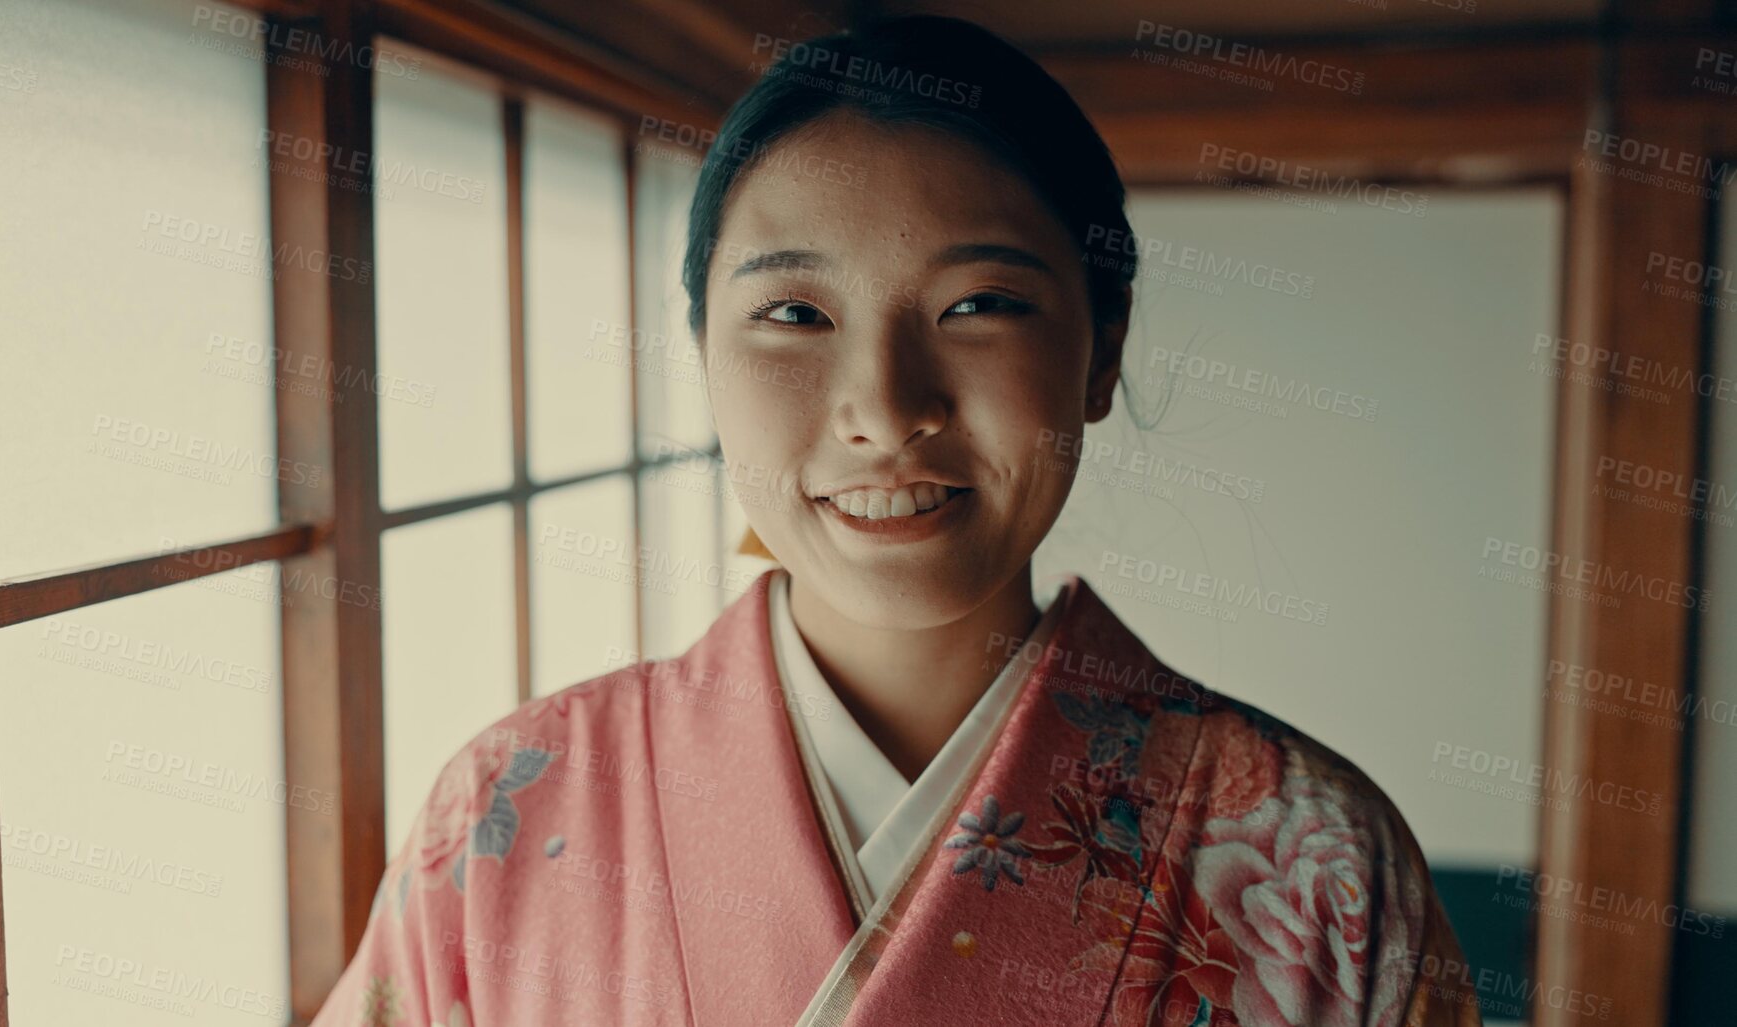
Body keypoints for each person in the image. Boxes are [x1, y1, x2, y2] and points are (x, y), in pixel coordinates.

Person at [311, 15, 1482, 1026]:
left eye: (981, 303)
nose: (884, 407)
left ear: (1101, 349)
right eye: (792, 313)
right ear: (704, 356)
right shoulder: (510, 811)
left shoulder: (1319, 852)